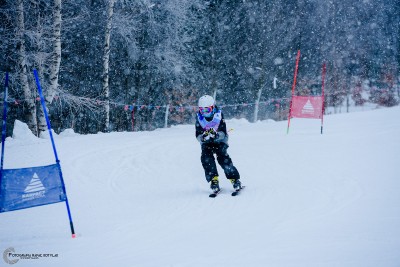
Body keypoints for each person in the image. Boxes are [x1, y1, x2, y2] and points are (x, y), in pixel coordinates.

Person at [195, 95, 241, 193]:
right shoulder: (199, 118)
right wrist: (203, 137)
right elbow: (197, 134)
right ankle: (213, 179)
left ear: (212, 107)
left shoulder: (219, 116)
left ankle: (234, 179)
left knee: (223, 157)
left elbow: (223, 132)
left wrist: (216, 135)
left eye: (207, 110)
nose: (205, 113)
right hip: (207, 142)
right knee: (206, 158)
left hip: (220, 141)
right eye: (202, 110)